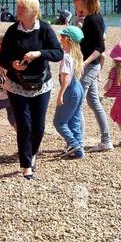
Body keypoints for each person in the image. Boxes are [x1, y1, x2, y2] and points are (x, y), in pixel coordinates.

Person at [0, 0, 63, 179]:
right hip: (17, 84)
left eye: (22, 9)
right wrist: (12, 65)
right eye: (17, 8)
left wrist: (39, 53)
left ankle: (32, 154)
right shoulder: (12, 30)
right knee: (24, 125)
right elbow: (1, 58)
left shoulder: (45, 29)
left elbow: (58, 53)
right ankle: (26, 166)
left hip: (41, 84)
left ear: (33, 12)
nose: (17, 11)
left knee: (39, 126)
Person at [73, 0, 112, 152]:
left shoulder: (93, 19)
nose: (74, 1)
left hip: (90, 66)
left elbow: (100, 48)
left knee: (78, 104)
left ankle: (78, 144)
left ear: (85, 0)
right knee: (94, 102)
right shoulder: (89, 18)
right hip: (89, 65)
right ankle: (106, 140)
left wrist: (84, 63)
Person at [53, 25, 86, 159]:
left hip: (70, 90)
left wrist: (60, 94)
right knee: (74, 121)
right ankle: (79, 151)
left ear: (69, 40)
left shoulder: (66, 57)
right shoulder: (77, 55)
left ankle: (73, 145)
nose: (60, 39)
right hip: (78, 89)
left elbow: (66, 77)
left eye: (62, 37)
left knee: (59, 122)